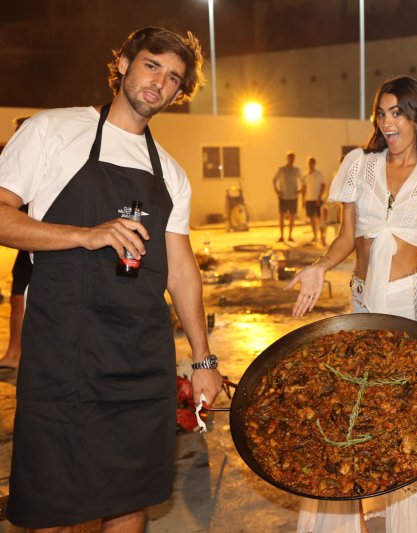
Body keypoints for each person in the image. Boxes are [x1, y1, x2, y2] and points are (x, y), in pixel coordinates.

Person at [0, 27, 224, 531]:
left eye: (173, 78)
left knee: (132, 495)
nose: (159, 83)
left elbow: (183, 271)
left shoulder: (170, 171)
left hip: (141, 358)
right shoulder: (53, 131)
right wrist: (85, 235)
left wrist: (203, 358)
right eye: (151, 65)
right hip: (63, 352)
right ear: (123, 64)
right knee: (52, 501)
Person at [286, 76, 417, 533]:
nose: (387, 122)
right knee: (356, 420)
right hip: (363, 307)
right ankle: (365, 521)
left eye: (397, 112)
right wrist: (321, 267)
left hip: (415, 309)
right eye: (381, 113)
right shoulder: (358, 165)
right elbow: (345, 238)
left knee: (413, 422)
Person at [0, 117, 31, 371]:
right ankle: (13, 353)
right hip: (25, 242)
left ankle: (18, 354)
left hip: (42, 240)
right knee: (17, 298)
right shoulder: (15, 161)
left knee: (24, 299)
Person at [273, 151, 301, 242]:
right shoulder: (281, 169)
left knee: (292, 217)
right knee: (281, 216)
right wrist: (277, 191)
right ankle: (281, 236)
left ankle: (290, 236)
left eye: (293, 158)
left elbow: (303, 181)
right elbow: (274, 180)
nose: (291, 160)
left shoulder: (296, 170)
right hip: (283, 197)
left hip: (293, 197)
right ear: (287, 158)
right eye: (290, 158)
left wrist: (300, 191)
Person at [300, 156, 326, 244]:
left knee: (320, 219)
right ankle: (315, 236)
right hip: (308, 200)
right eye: (309, 163)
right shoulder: (305, 175)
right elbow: (304, 188)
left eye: (312, 163)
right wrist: (302, 200)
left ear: (314, 163)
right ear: (307, 164)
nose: (310, 164)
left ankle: (322, 236)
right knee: (311, 219)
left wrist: (319, 197)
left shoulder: (319, 174)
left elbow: (323, 186)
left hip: (317, 199)